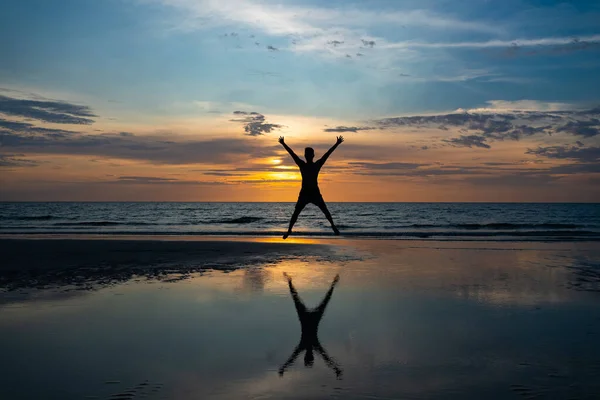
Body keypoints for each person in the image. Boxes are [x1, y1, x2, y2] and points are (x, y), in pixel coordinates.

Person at [278, 136, 344, 239]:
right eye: (306, 154)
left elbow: (327, 154)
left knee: (325, 210)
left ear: (313, 155)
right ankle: (289, 230)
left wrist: (337, 144)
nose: (308, 156)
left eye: (309, 154)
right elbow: (292, 154)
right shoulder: (302, 164)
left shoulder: (317, 165)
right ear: (305, 156)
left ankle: (333, 226)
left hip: (314, 192)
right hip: (304, 193)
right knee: (296, 213)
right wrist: (283, 144)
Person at [279, 273, 343, 378]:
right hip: (312, 319)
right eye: (310, 357)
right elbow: (326, 359)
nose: (310, 355)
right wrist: (336, 368)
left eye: (308, 357)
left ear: (307, 356)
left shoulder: (305, 346)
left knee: (298, 300)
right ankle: (290, 282)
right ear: (311, 356)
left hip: (307, 319)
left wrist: (284, 368)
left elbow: (292, 358)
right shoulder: (311, 345)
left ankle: (290, 282)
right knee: (319, 301)